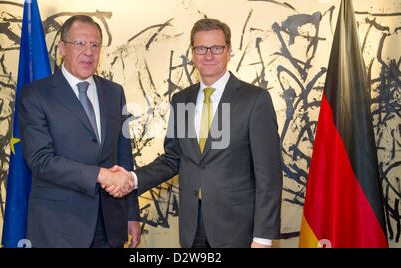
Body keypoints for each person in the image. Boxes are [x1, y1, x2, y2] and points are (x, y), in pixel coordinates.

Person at [108, 18, 282, 248]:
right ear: (192, 53)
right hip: (192, 228)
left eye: (216, 48)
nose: (208, 55)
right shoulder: (181, 100)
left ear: (229, 51)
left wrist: (263, 237)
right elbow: (173, 159)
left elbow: (269, 175)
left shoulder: (255, 100)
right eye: (201, 48)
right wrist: (133, 178)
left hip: (239, 230)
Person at [18, 15, 139, 248]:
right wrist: (101, 175)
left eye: (94, 45)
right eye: (80, 44)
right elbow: (41, 161)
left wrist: (131, 214)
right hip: (59, 228)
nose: (88, 52)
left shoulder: (115, 92)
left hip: (110, 225)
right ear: (62, 47)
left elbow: (124, 157)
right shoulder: (35, 95)